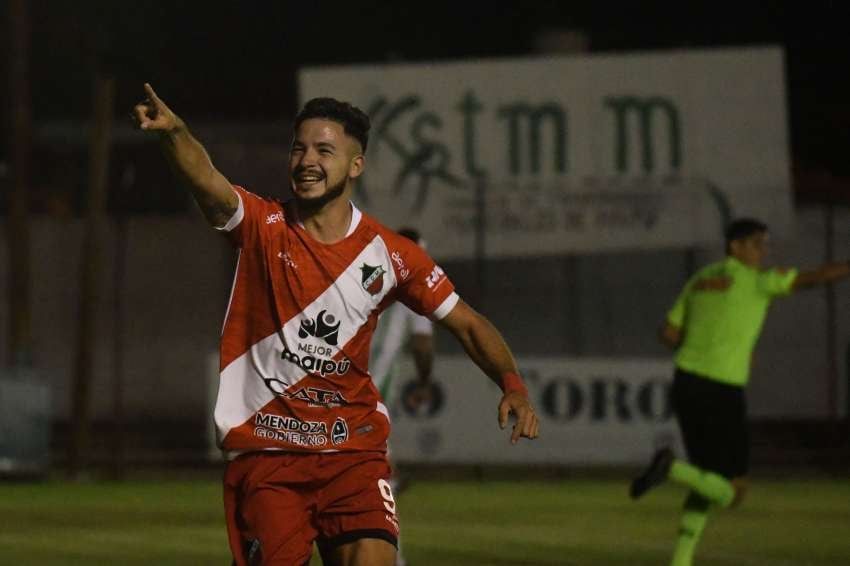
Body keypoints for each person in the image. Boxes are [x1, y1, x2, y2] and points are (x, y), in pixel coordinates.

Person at [133, 84, 539, 566]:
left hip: (354, 455)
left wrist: (512, 385)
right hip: (268, 456)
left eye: (324, 150)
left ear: (355, 165)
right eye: (299, 149)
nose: (307, 161)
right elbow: (208, 181)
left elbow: (468, 323)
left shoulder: (391, 255)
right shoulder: (263, 226)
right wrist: (175, 133)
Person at [629, 218, 850, 566]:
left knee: (706, 478)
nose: (764, 251)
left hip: (686, 383)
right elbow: (816, 277)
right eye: (757, 243)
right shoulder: (757, 281)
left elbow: (668, 332)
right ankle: (671, 468)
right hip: (722, 389)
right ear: (735, 247)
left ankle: (681, 561)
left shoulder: (701, 279)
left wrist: (702, 344)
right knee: (734, 490)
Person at [369, 227, 434, 566]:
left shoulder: (365, 272)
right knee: (378, 485)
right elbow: (422, 345)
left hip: (336, 391)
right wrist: (424, 382)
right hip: (369, 401)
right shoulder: (415, 288)